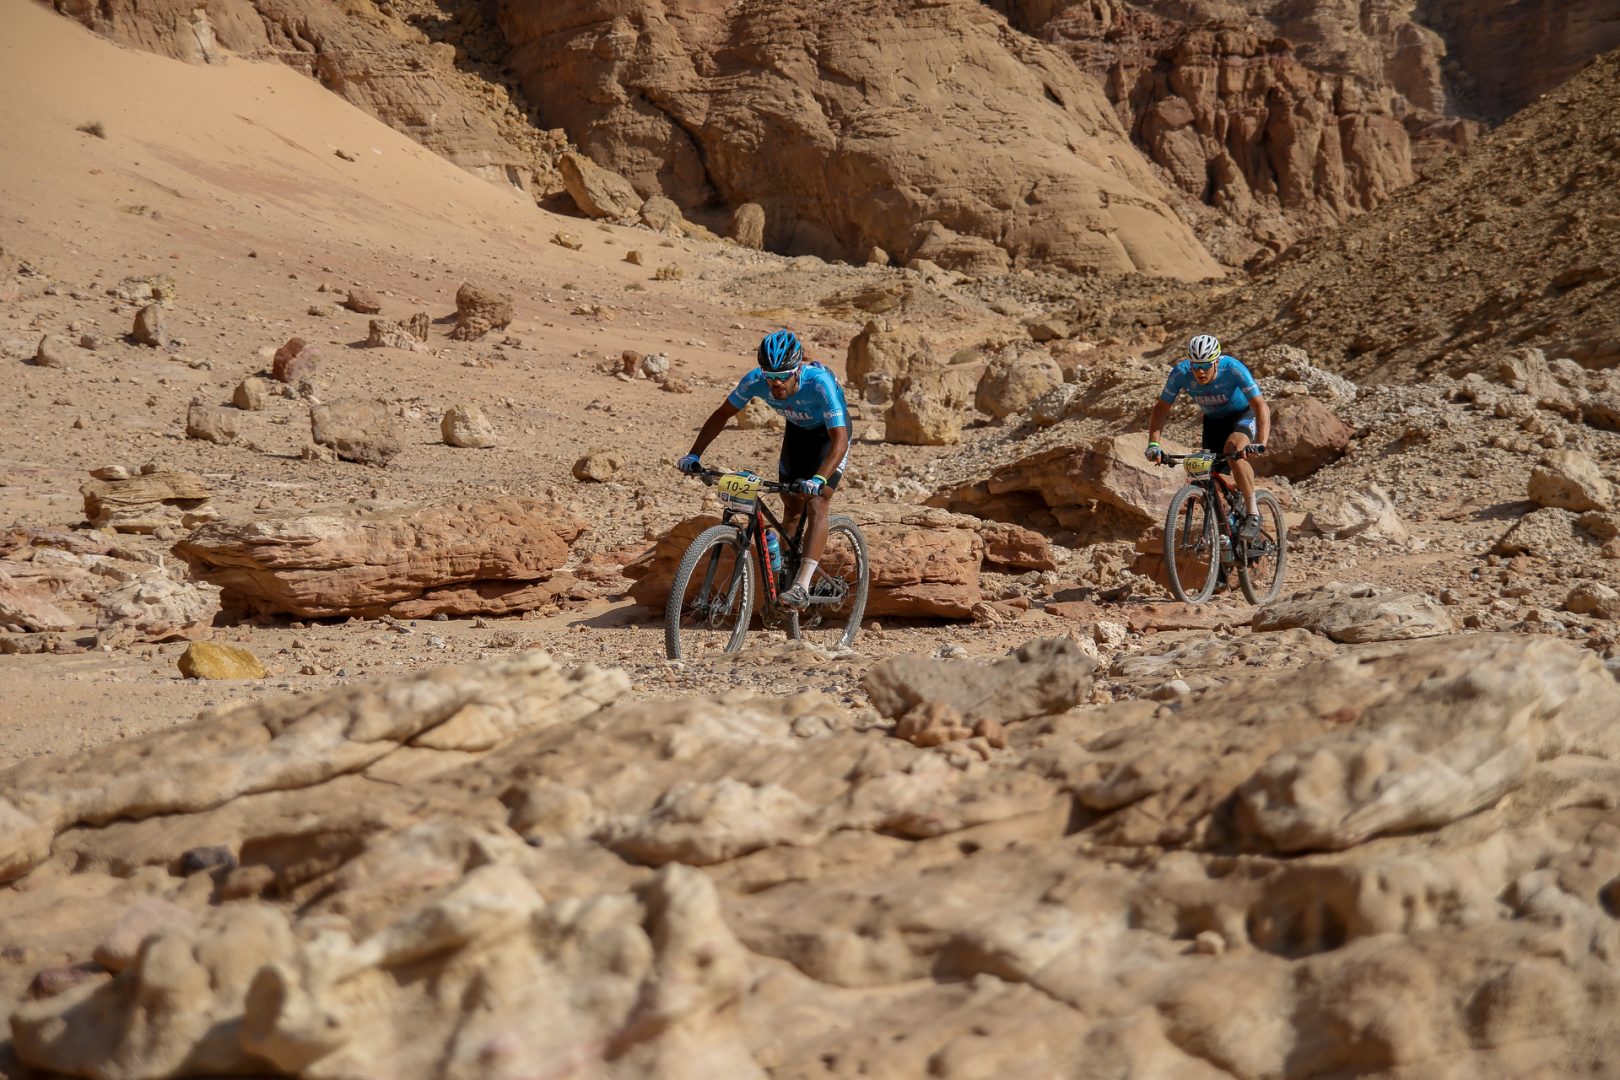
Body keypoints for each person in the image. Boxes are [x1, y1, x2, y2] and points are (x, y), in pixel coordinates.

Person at [677, 329, 850, 609]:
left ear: (798, 371)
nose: (776, 384)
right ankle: (783, 578)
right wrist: (694, 455)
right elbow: (722, 414)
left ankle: (802, 585)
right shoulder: (755, 381)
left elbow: (839, 440)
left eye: (783, 376)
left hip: (830, 436)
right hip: (798, 433)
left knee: (817, 501)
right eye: (770, 377)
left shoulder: (819, 383)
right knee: (791, 505)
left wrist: (819, 477)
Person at [1145, 333, 1270, 538]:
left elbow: (1260, 406)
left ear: (1217, 361)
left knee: (1233, 449)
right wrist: (1153, 444)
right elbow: (1161, 409)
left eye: (1206, 365)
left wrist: (1259, 442)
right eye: (1195, 366)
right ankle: (1223, 530)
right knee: (1204, 474)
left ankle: (1253, 512)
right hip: (1213, 422)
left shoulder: (1232, 368)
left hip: (1242, 415)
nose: (1200, 371)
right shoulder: (1180, 373)